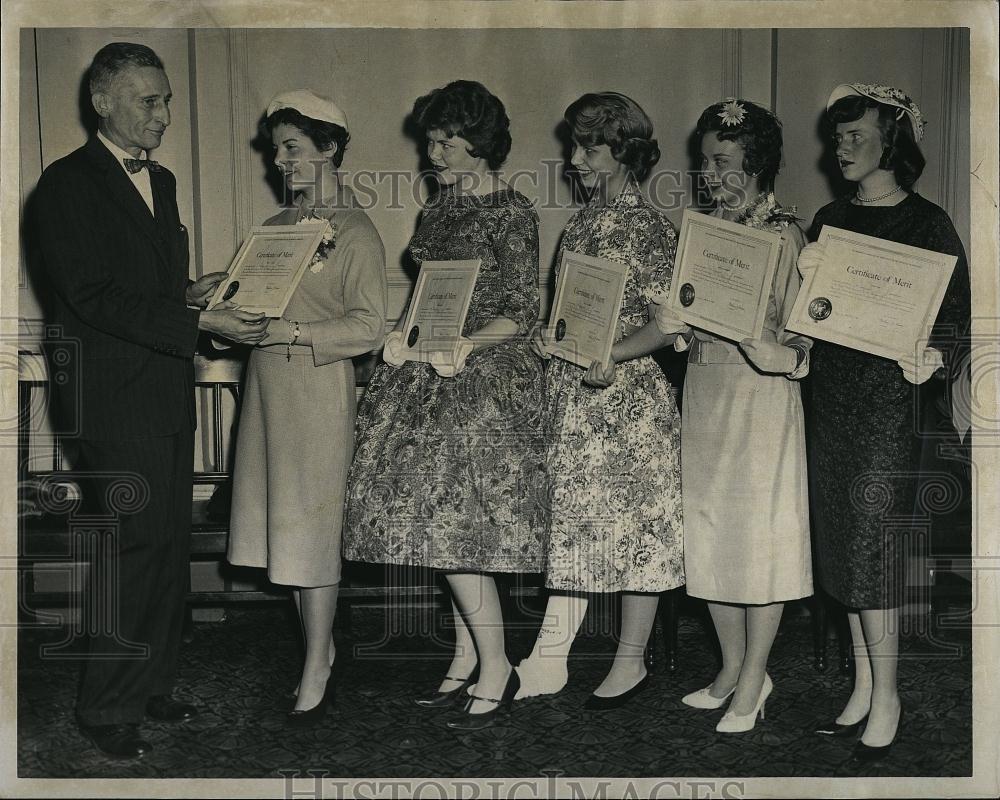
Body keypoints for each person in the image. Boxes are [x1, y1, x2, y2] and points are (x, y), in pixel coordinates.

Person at [31, 41, 270, 758]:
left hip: (162, 386)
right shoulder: (66, 185)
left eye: (166, 99)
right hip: (111, 398)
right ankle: (106, 709)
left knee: (164, 546)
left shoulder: (159, 183)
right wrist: (199, 321)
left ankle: (152, 685)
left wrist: (195, 293)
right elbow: (93, 296)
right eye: (149, 100)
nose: (164, 114)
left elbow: (144, 289)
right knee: (130, 548)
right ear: (103, 102)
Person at [343, 80, 546, 730]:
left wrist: (464, 343)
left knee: (458, 535)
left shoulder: (512, 213)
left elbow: (523, 310)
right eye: (430, 138)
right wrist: (400, 337)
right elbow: (428, 293)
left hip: (482, 383)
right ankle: (466, 660)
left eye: (445, 138)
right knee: (440, 534)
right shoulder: (437, 210)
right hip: (428, 376)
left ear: (478, 142)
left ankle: (498, 665)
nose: (433, 150)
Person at [800, 83, 970, 761]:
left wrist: (934, 354)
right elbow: (811, 318)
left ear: (890, 142)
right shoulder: (828, 219)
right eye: (838, 137)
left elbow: (958, 318)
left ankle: (889, 692)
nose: (841, 148)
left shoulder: (928, 224)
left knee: (873, 549)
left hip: (889, 409)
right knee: (843, 545)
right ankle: (867, 684)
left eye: (856, 137)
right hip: (833, 402)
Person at [516, 92, 684, 708]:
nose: (575, 158)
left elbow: (667, 326)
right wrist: (549, 336)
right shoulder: (582, 223)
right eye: (575, 145)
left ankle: (630, 660)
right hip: (577, 398)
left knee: (639, 533)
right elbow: (570, 315)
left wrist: (614, 352)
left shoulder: (649, 228)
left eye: (589, 147)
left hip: (628, 401)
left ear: (623, 153)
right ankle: (552, 656)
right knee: (577, 526)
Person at [226, 90, 388, 726]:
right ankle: (319, 649)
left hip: (317, 390)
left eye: (293, 148)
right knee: (284, 533)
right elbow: (243, 313)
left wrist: (295, 334)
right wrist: (219, 308)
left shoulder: (355, 231)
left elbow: (369, 327)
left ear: (330, 148)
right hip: (266, 390)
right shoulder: (272, 230)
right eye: (276, 151)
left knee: (312, 533)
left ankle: (317, 662)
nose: (281, 162)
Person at [656, 100, 812, 733]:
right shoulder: (702, 232)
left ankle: (754, 679)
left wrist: (783, 353)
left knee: (760, 539)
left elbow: (809, 336)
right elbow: (688, 311)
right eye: (704, 160)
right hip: (706, 391)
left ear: (756, 164)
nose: (707, 172)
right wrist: (674, 327)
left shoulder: (786, 235)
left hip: (760, 399)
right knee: (710, 531)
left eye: (721, 161)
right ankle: (730, 664)